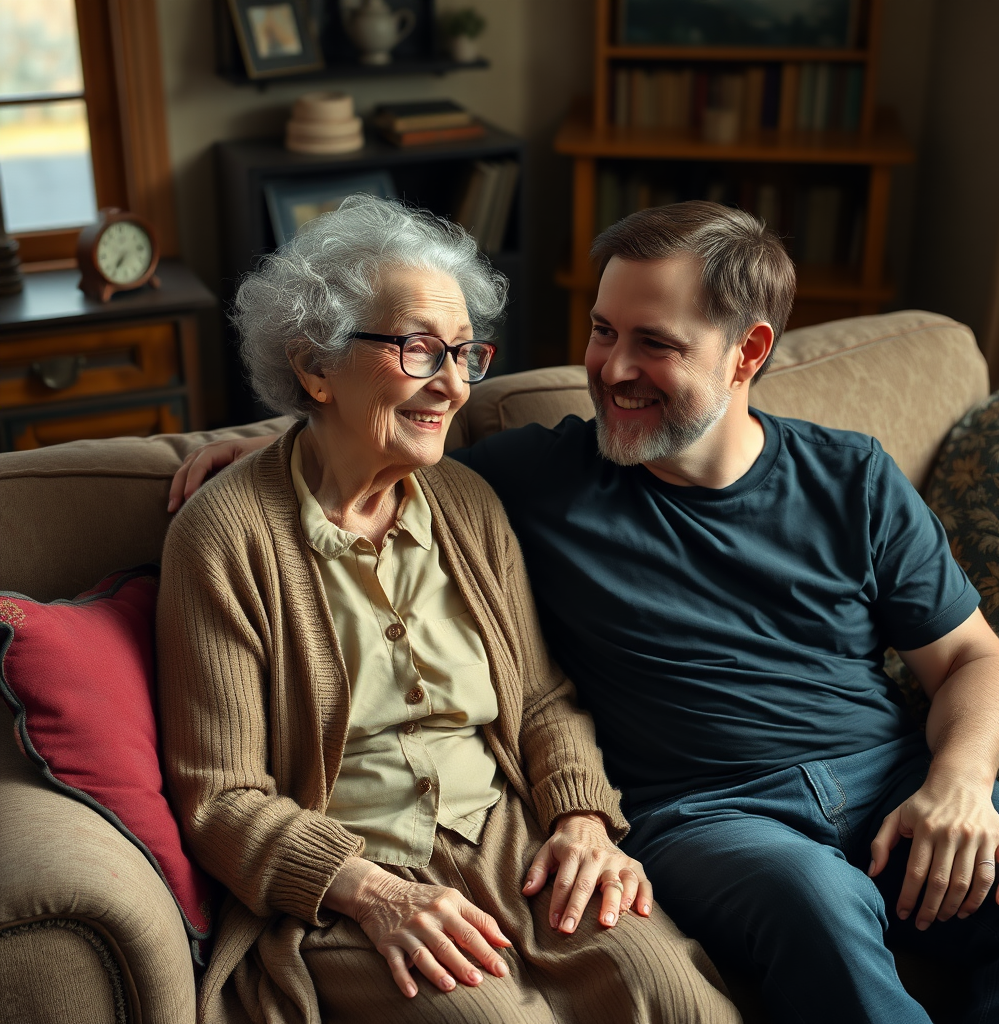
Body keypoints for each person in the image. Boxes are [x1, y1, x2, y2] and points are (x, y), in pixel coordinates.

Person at [170, 200, 999, 1023]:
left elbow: (972, 661)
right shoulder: (536, 482)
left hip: (884, 774)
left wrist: (960, 783)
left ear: (747, 352)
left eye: (653, 343)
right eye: (603, 331)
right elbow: (369, 439)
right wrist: (288, 431)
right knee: (816, 901)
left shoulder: (853, 478)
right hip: (713, 816)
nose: (611, 370)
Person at [156, 195, 738, 1024]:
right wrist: (371, 894)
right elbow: (221, 796)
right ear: (314, 365)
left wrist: (581, 821)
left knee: (678, 999)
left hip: (515, 847)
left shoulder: (466, 503)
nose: (456, 385)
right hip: (352, 877)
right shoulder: (224, 538)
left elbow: (542, 700)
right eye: (422, 349)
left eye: (466, 353)